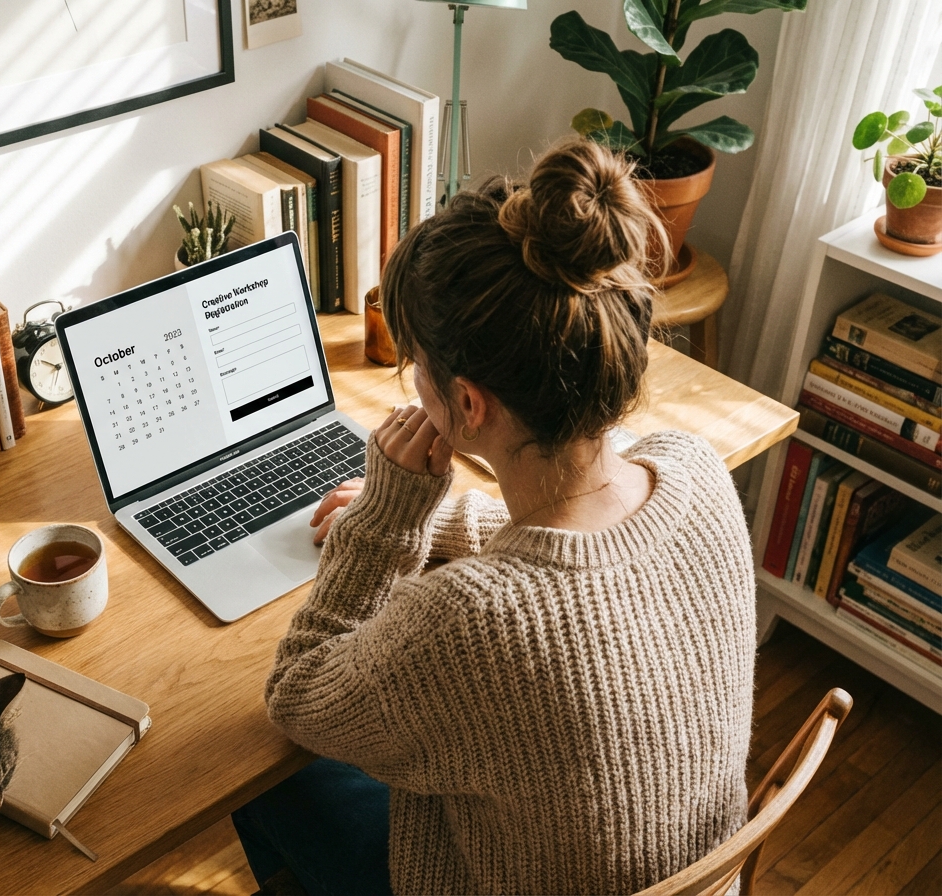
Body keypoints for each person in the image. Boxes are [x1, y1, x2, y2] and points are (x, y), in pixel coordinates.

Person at [231, 139, 756, 896]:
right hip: (698, 877)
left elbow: (299, 693)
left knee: (263, 782)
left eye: (417, 370)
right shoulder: (693, 468)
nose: (413, 384)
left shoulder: (473, 622)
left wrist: (386, 521)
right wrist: (445, 520)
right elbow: (582, 551)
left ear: (469, 405)